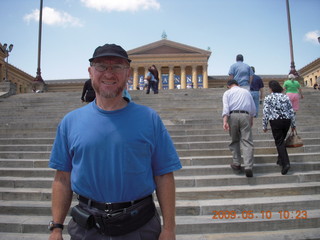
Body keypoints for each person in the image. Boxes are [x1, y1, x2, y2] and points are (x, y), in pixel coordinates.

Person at [48, 43, 182, 240]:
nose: (109, 74)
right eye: (101, 66)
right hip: (87, 228)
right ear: (90, 72)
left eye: (117, 67)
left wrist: (169, 229)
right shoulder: (70, 122)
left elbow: (164, 176)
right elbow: (62, 179)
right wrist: (56, 228)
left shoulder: (149, 119)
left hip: (140, 226)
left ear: (128, 73)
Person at [222, 79, 256, 177]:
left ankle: (237, 163)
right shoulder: (246, 92)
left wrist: (225, 121)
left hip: (232, 116)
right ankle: (248, 166)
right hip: (245, 116)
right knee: (247, 141)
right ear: (238, 84)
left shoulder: (227, 93)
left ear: (228, 85)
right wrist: (251, 119)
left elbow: (226, 108)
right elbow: (253, 107)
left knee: (234, 140)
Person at [262, 80, 296, 175]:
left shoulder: (268, 97)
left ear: (271, 88)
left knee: (279, 142)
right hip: (287, 120)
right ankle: (280, 159)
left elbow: (266, 112)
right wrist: (293, 124)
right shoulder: (285, 97)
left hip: (276, 121)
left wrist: (264, 125)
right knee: (281, 140)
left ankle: (286, 163)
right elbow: (291, 111)